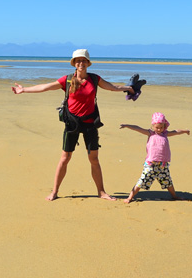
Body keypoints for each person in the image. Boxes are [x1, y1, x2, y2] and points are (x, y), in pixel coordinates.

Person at [12, 49, 133, 201]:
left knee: (94, 159)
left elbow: (112, 87)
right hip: (72, 123)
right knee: (65, 157)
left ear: (88, 63)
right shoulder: (68, 80)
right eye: (78, 61)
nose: (80, 63)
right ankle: (54, 192)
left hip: (90, 123)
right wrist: (24, 90)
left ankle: (101, 192)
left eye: (83, 60)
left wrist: (128, 88)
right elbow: (45, 87)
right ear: (74, 64)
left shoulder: (94, 79)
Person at [119, 112, 190, 203]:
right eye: (157, 127)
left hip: (162, 165)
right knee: (142, 181)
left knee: (168, 181)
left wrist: (185, 131)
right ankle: (130, 197)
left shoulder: (165, 134)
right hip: (151, 164)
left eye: (161, 127)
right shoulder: (150, 133)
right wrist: (127, 125)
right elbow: (138, 128)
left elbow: (176, 132)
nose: (159, 129)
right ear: (152, 126)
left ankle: (174, 196)